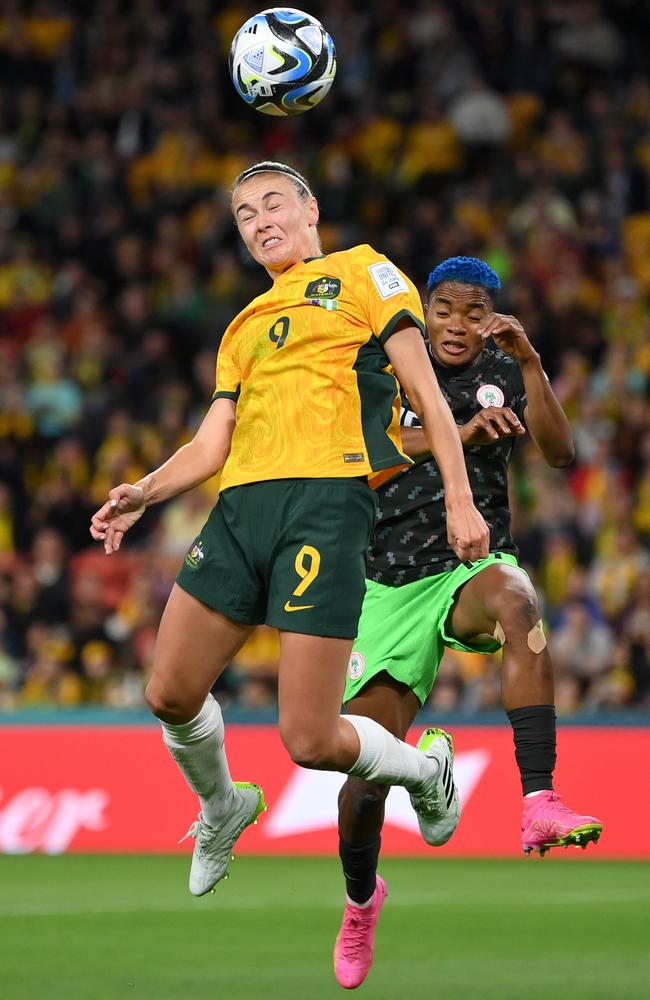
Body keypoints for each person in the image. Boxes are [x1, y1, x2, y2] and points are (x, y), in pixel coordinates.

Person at [90, 163, 489, 897]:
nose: (259, 220)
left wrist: (460, 501)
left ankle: (426, 770)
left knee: (309, 739)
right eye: (244, 215)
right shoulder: (242, 326)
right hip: (242, 509)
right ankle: (223, 805)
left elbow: (428, 397)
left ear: (310, 210)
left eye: (273, 203)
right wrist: (145, 491)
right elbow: (213, 445)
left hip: (327, 504)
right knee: (168, 693)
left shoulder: (365, 272)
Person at [333, 256, 603, 990]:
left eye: (474, 312)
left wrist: (533, 365)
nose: (458, 325)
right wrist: (459, 432)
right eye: (445, 309)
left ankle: (538, 799)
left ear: (492, 318)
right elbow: (361, 459)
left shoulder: (502, 369)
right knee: (361, 785)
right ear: (423, 310)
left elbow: (560, 451)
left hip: (470, 564)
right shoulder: (384, 365)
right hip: (388, 585)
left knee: (520, 603)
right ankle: (362, 902)